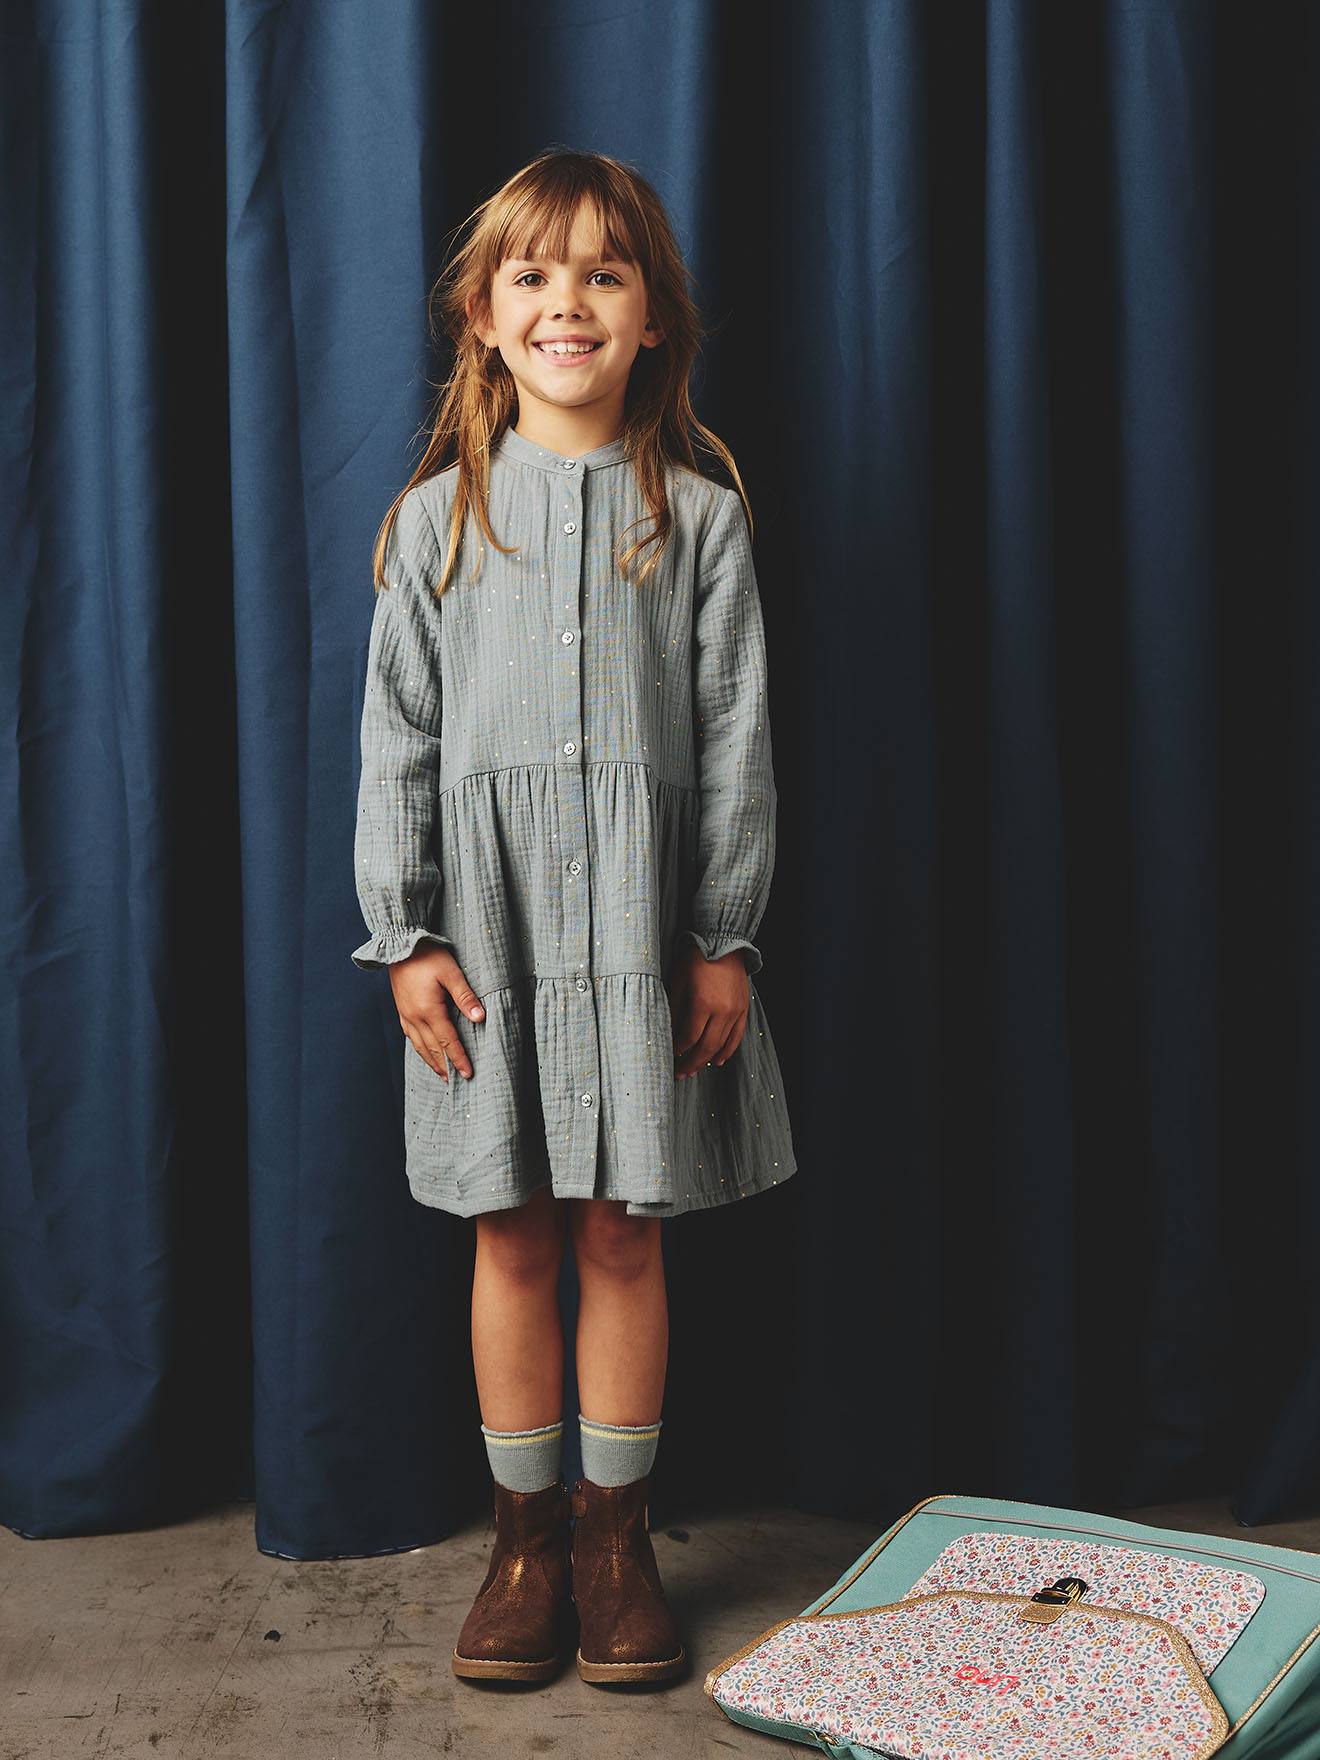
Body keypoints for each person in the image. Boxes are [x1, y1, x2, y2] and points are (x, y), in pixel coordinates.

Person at [350, 148, 798, 1686]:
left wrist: (722, 936)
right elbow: (398, 745)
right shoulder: (433, 526)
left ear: (652, 317)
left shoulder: (701, 522)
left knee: (620, 1228)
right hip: (488, 947)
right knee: (512, 1228)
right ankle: (525, 1545)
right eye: (534, 276)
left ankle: (615, 1543)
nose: (568, 303)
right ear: (482, 314)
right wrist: (407, 935)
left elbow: (735, 741)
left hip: (643, 939)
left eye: (605, 274)